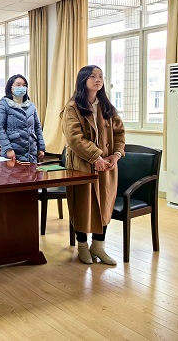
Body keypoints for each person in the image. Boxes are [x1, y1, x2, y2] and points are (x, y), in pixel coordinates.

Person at [61, 65, 125, 265]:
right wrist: (95, 157)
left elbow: (120, 133)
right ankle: (82, 246)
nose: (98, 80)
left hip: (107, 165)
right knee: (82, 204)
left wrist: (116, 155)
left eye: (101, 77)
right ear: (83, 80)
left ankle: (98, 246)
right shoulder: (72, 107)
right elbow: (74, 138)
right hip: (82, 164)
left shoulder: (106, 106)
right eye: (93, 76)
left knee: (105, 203)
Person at [0, 74, 45, 163]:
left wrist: (41, 148)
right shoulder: (4, 105)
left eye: (24, 85)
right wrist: (8, 148)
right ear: (10, 87)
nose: (21, 87)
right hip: (12, 153)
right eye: (18, 85)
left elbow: (37, 128)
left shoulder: (31, 106)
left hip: (31, 153)